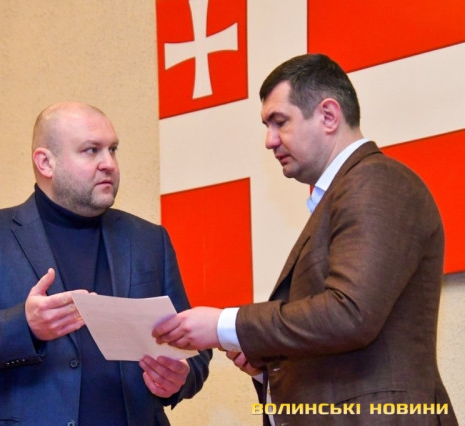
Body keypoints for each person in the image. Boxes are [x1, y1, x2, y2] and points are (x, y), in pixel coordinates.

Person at [153, 54, 457, 425]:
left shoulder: (375, 181)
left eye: (279, 122)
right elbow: (339, 339)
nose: (269, 141)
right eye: (267, 126)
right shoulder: (345, 192)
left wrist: (223, 325)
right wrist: (268, 367)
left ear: (328, 116)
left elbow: (350, 314)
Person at [0, 101, 211, 425]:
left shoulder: (148, 239)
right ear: (45, 162)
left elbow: (194, 346)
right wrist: (24, 327)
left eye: (112, 150)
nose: (109, 164)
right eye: (91, 150)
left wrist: (180, 379)